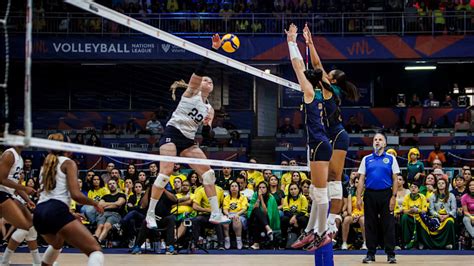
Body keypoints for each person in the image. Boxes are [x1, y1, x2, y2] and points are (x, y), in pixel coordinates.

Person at [145, 34, 230, 228]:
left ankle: (215, 213)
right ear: (199, 84)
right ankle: (150, 214)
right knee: (165, 173)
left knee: (209, 175)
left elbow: (208, 136)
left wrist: (208, 127)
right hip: (172, 133)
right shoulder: (191, 92)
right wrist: (214, 49)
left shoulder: (210, 108)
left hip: (189, 140)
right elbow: (201, 69)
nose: (208, 81)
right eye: (205, 80)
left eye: (211, 81)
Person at [303, 23, 360, 238]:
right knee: (325, 179)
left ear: (333, 79)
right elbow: (317, 66)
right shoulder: (328, 88)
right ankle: (319, 222)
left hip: (338, 135)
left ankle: (331, 221)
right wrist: (309, 43)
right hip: (329, 135)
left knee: (335, 177)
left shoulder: (331, 88)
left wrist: (310, 44)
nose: (326, 73)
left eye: (330, 73)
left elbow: (317, 63)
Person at [285, 23, 332, 252]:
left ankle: (322, 233)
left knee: (320, 193)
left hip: (320, 145)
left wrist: (292, 42)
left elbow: (297, 66)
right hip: (318, 144)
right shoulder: (322, 91)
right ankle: (313, 231)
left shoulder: (311, 92)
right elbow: (313, 66)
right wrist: (308, 42)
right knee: (315, 191)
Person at [32, 133, 105, 266]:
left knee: (57, 243)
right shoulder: (68, 163)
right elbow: (76, 195)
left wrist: (68, 214)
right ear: (66, 147)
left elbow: (46, 195)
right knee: (95, 251)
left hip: (39, 212)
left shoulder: (46, 165)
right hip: (56, 210)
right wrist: (94, 202)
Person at [356, 132, 399, 263]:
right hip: (370, 194)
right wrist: (358, 197)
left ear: (385, 143)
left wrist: (393, 197)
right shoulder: (366, 159)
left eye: (380, 139)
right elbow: (361, 179)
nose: (377, 141)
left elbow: (395, 178)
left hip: (386, 194)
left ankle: (391, 254)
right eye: (375, 139)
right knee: (370, 225)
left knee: (388, 224)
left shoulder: (391, 158)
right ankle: (370, 253)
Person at [0, 132, 40, 266]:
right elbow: (1, 179)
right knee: (24, 227)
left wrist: (27, 199)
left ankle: (37, 262)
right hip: (1, 193)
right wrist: (25, 189)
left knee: (31, 227)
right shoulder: (9, 154)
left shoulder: (20, 158)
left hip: (9, 194)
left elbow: (15, 185)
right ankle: (4, 261)